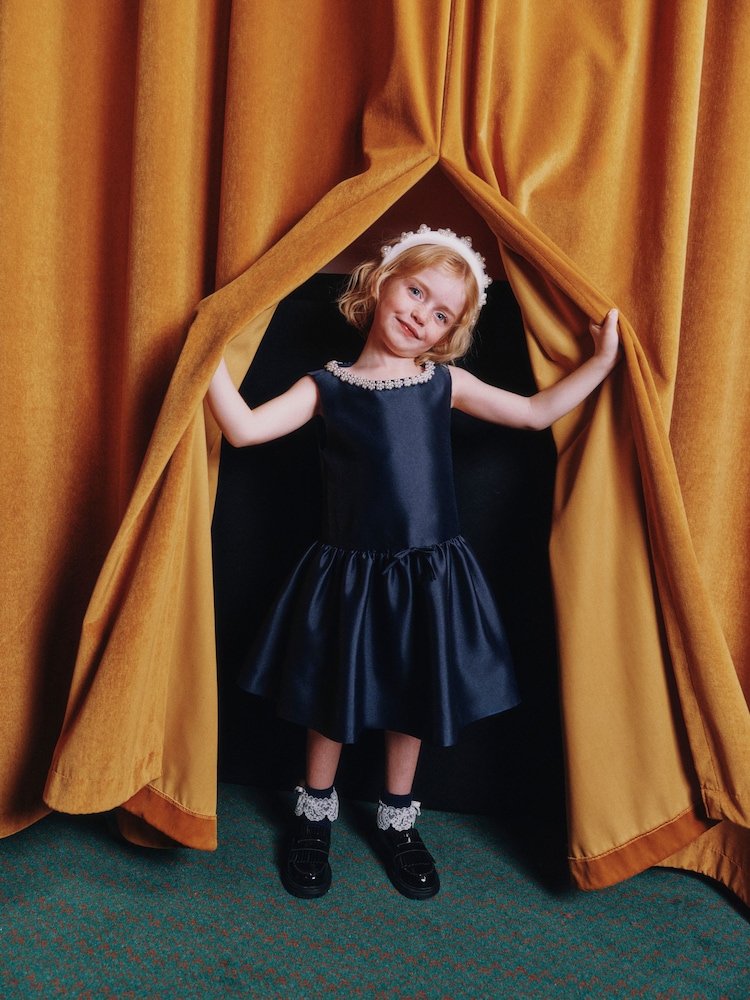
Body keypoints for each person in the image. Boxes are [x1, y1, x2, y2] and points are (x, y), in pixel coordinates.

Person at [206, 225, 620, 901]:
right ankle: (315, 815)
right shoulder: (327, 386)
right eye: (416, 290)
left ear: (448, 334)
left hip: (430, 575)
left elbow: (532, 411)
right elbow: (245, 429)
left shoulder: (442, 383)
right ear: (379, 282)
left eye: (440, 314)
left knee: (415, 695)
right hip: (348, 575)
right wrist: (207, 356)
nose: (420, 314)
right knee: (330, 697)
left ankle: (399, 818)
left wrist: (599, 366)